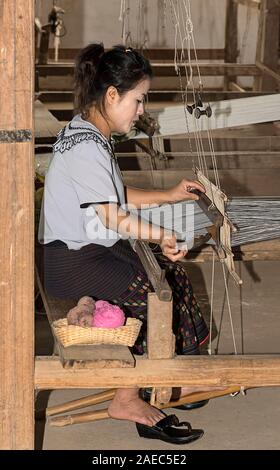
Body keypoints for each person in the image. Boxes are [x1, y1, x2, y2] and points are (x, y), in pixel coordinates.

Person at [38, 43, 215, 435]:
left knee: (167, 272)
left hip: (84, 251)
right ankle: (127, 397)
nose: (141, 110)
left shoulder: (86, 132)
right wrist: (166, 232)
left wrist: (169, 195)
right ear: (112, 94)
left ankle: (175, 372)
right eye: (138, 100)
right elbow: (112, 215)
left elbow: (113, 195)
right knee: (152, 292)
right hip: (72, 263)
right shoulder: (86, 145)